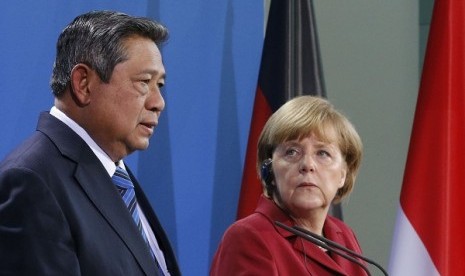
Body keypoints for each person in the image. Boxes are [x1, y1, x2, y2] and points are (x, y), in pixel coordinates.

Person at [0, 11, 180, 276]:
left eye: (160, 84)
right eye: (144, 82)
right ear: (83, 83)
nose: (158, 102)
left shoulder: (114, 174)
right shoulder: (31, 181)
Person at [210, 95, 366, 275]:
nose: (308, 165)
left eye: (322, 153)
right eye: (292, 152)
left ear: (343, 175)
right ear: (269, 170)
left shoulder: (344, 236)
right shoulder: (248, 237)